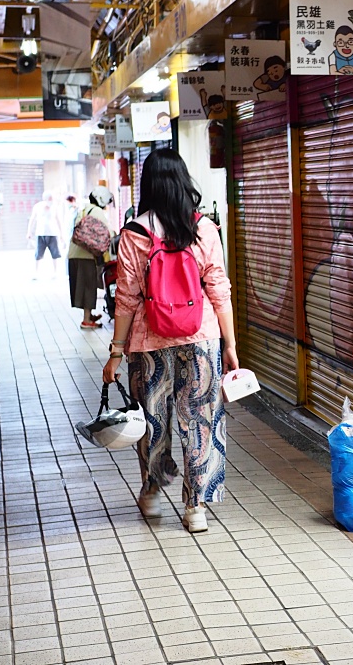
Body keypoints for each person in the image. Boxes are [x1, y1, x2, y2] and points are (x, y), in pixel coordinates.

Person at [102, 148, 239, 534]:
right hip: (201, 338)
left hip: (149, 342)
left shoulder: (134, 233)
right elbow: (219, 289)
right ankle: (196, 507)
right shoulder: (204, 228)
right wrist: (230, 344)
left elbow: (126, 297)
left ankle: (152, 488)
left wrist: (116, 350)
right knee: (201, 420)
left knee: (152, 422)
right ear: (183, 181)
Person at [69, 186, 112, 329]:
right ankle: (87, 320)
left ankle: (88, 315)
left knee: (83, 285)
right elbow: (107, 231)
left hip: (75, 254)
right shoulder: (97, 211)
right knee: (88, 286)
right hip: (86, 256)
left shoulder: (85, 209)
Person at [27, 191, 63, 279]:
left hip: (52, 233)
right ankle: (36, 272)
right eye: (50, 199)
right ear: (45, 199)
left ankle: (55, 272)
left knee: (55, 253)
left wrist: (61, 234)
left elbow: (58, 220)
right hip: (40, 233)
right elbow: (32, 219)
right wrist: (29, 232)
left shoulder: (54, 207)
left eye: (52, 198)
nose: (51, 200)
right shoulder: (38, 207)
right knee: (38, 254)